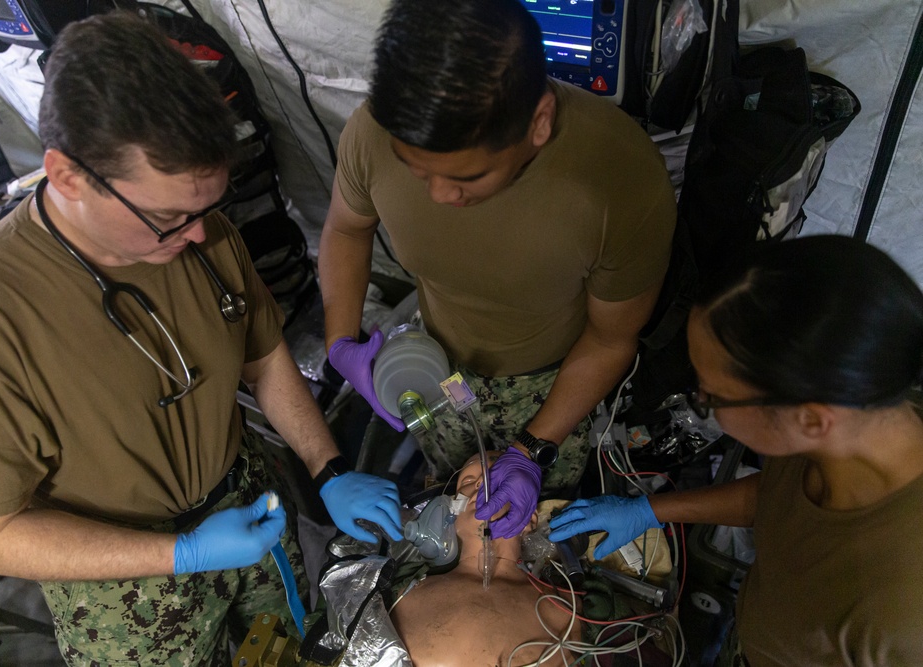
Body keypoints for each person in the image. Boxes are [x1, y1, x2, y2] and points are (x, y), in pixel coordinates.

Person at [0, 12, 402, 666]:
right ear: (66, 176)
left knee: (293, 642)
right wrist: (182, 554)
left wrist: (330, 467)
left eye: (205, 210)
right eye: (169, 216)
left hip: (245, 505)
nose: (198, 235)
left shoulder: (201, 238)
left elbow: (262, 356)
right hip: (121, 579)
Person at [318, 0, 676, 540]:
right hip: (435, 365)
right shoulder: (372, 134)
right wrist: (340, 343)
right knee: (453, 492)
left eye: (468, 177)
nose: (439, 196)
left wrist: (533, 449)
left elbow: (609, 340)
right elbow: (346, 230)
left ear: (539, 123)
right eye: (418, 171)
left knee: (528, 524)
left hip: (554, 383)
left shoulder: (620, 184)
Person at [549, 235, 923, 665]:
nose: (698, 405)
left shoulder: (900, 620)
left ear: (812, 419)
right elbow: (778, 498)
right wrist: (648, 511)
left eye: (710, 397)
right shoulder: (863, 412)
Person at [392, 453, 579, 666]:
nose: (482, 483)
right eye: (469, 481)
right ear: (449, 518)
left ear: (530, 519)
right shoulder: (403, 594)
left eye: (498, 479)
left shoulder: (568, 608)